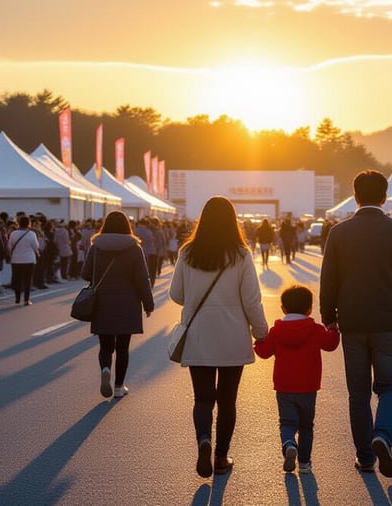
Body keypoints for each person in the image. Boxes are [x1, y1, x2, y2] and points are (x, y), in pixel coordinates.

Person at [320, 170, 392, 478]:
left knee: (358, 393)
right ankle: (383, 434)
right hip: (390, 322)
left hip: (352, 323)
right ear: (384, 197)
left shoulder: (338, 233)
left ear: (354, 196)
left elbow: (328, 280)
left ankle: (365, 457)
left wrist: (329, 317)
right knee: (391, 386)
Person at [169, 196, 269, 478]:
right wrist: (261, 333)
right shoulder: (241, 254)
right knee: (227, 401)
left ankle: (204, 439)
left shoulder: (188, 253)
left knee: (202, 399)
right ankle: (221, 457)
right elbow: (252, 301)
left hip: (198, 336)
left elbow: (176, 295)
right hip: (232, 336)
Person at [254, 284, 340, 474]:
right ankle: (304, 463)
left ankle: (289, 443)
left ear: (283, 309)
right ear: (309, 309)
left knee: (286, 422)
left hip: (284, 387)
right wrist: (334, 330)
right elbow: (330, 344)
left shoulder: (277, 331)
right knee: (306, 426)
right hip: (308, 387)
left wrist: (258, 342)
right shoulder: (315, 329)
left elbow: (265, 352)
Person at [82, 211, 155, 399]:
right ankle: (119, 387)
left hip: (102, 302)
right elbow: (142, 279)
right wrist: (148, 303)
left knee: (106, 345)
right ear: (126, 226)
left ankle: (106, 368)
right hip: (128, 303)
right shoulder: (134, 248)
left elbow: (85, 274)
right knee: (123, 347)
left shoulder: (95, 247)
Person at [7, 215, 40, 306]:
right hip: (29, 260)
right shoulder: (32, 234)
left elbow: (9, 246)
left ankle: (17, 298)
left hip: (16, 259)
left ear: (19, 223)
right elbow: (36, 246)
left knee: (17, 279)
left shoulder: (13, 233)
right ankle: (26, 299)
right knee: (28, 280)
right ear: (28, 224)